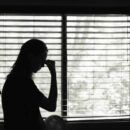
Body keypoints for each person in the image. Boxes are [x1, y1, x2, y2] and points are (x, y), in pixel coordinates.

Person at [1, 39, 57, 130]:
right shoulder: (23, 83)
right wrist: (53, 74)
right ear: (31, 57)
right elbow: (51, 106)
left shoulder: (15, 79)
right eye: (41, 60)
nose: (43, 65)